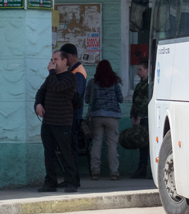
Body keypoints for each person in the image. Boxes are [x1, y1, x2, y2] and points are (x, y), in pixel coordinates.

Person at [35, 50, 79, 193]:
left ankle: (72, 182)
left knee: (66, 153)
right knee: (49, 153)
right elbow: (40, 92)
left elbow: (57, 88)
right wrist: (38, 104)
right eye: (51, 59)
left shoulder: (70, 77)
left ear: (64, 61)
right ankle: (50, 183)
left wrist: (51, 73)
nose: (52, 62)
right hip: (48, 122)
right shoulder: (50, 78)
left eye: (55, 59)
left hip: (62, 122)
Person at [85, 60, 124, 180]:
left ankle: (95, 172)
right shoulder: (114, 83)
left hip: (96, 116)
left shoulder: (92, 83)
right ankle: (114, 173)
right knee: (112, 145)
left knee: (96, 144)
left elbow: (87, 100)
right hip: (112, 117)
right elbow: (121, 99)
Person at [59, 43, 87, 183]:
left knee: (70, 149)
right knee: (68, 149)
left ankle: (73, 178)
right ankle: (71, 177)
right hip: (70, 116)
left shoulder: (78, 73)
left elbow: (76, 95)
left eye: (63, 58)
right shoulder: (73, 71)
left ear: (69, 57)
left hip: (73, 117)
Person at [129, 63, 152, 179]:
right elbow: (135, 102)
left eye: (140, 69)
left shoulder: (149, 85)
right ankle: (141, 168)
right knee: (141, 145)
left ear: (148, 70)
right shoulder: (139, 85)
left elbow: (145, 102)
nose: (138, 72)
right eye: (137, 69)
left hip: (146, 118)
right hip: (138, 118)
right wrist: (132, 116)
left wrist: (139, 117)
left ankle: (147, 169)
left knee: (146, 144)